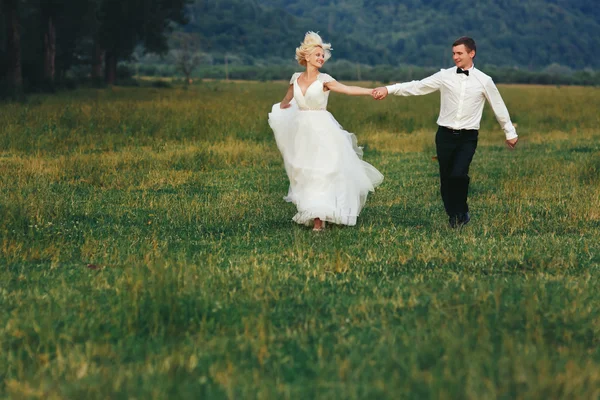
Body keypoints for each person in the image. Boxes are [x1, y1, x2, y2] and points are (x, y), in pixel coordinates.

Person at [373, 36, 518, 228]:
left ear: (471, 53)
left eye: (459, 53)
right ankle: (453, 215)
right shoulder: (444, 75)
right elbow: (417, 86)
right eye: (453, 53)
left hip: (468, 137)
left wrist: (509, 131)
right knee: (446, 178)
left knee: (459, 175)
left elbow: (498, 105)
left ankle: (462, 211)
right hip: (444, 135)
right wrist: (389, 89)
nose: (455, 57)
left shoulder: (484, 80)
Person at [268, 32, 383, 231]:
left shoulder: (325, 80)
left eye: (323, 56)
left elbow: (347, 89)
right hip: (301, 131)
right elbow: (287, 100)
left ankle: (319, 220)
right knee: (304, 172)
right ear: (307, 57)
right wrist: (281, 111)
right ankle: (313, 210)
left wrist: (369, 91)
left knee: (324, 171)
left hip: (323, 129)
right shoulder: (295, 79)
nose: (321, 58)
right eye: (318, 55)